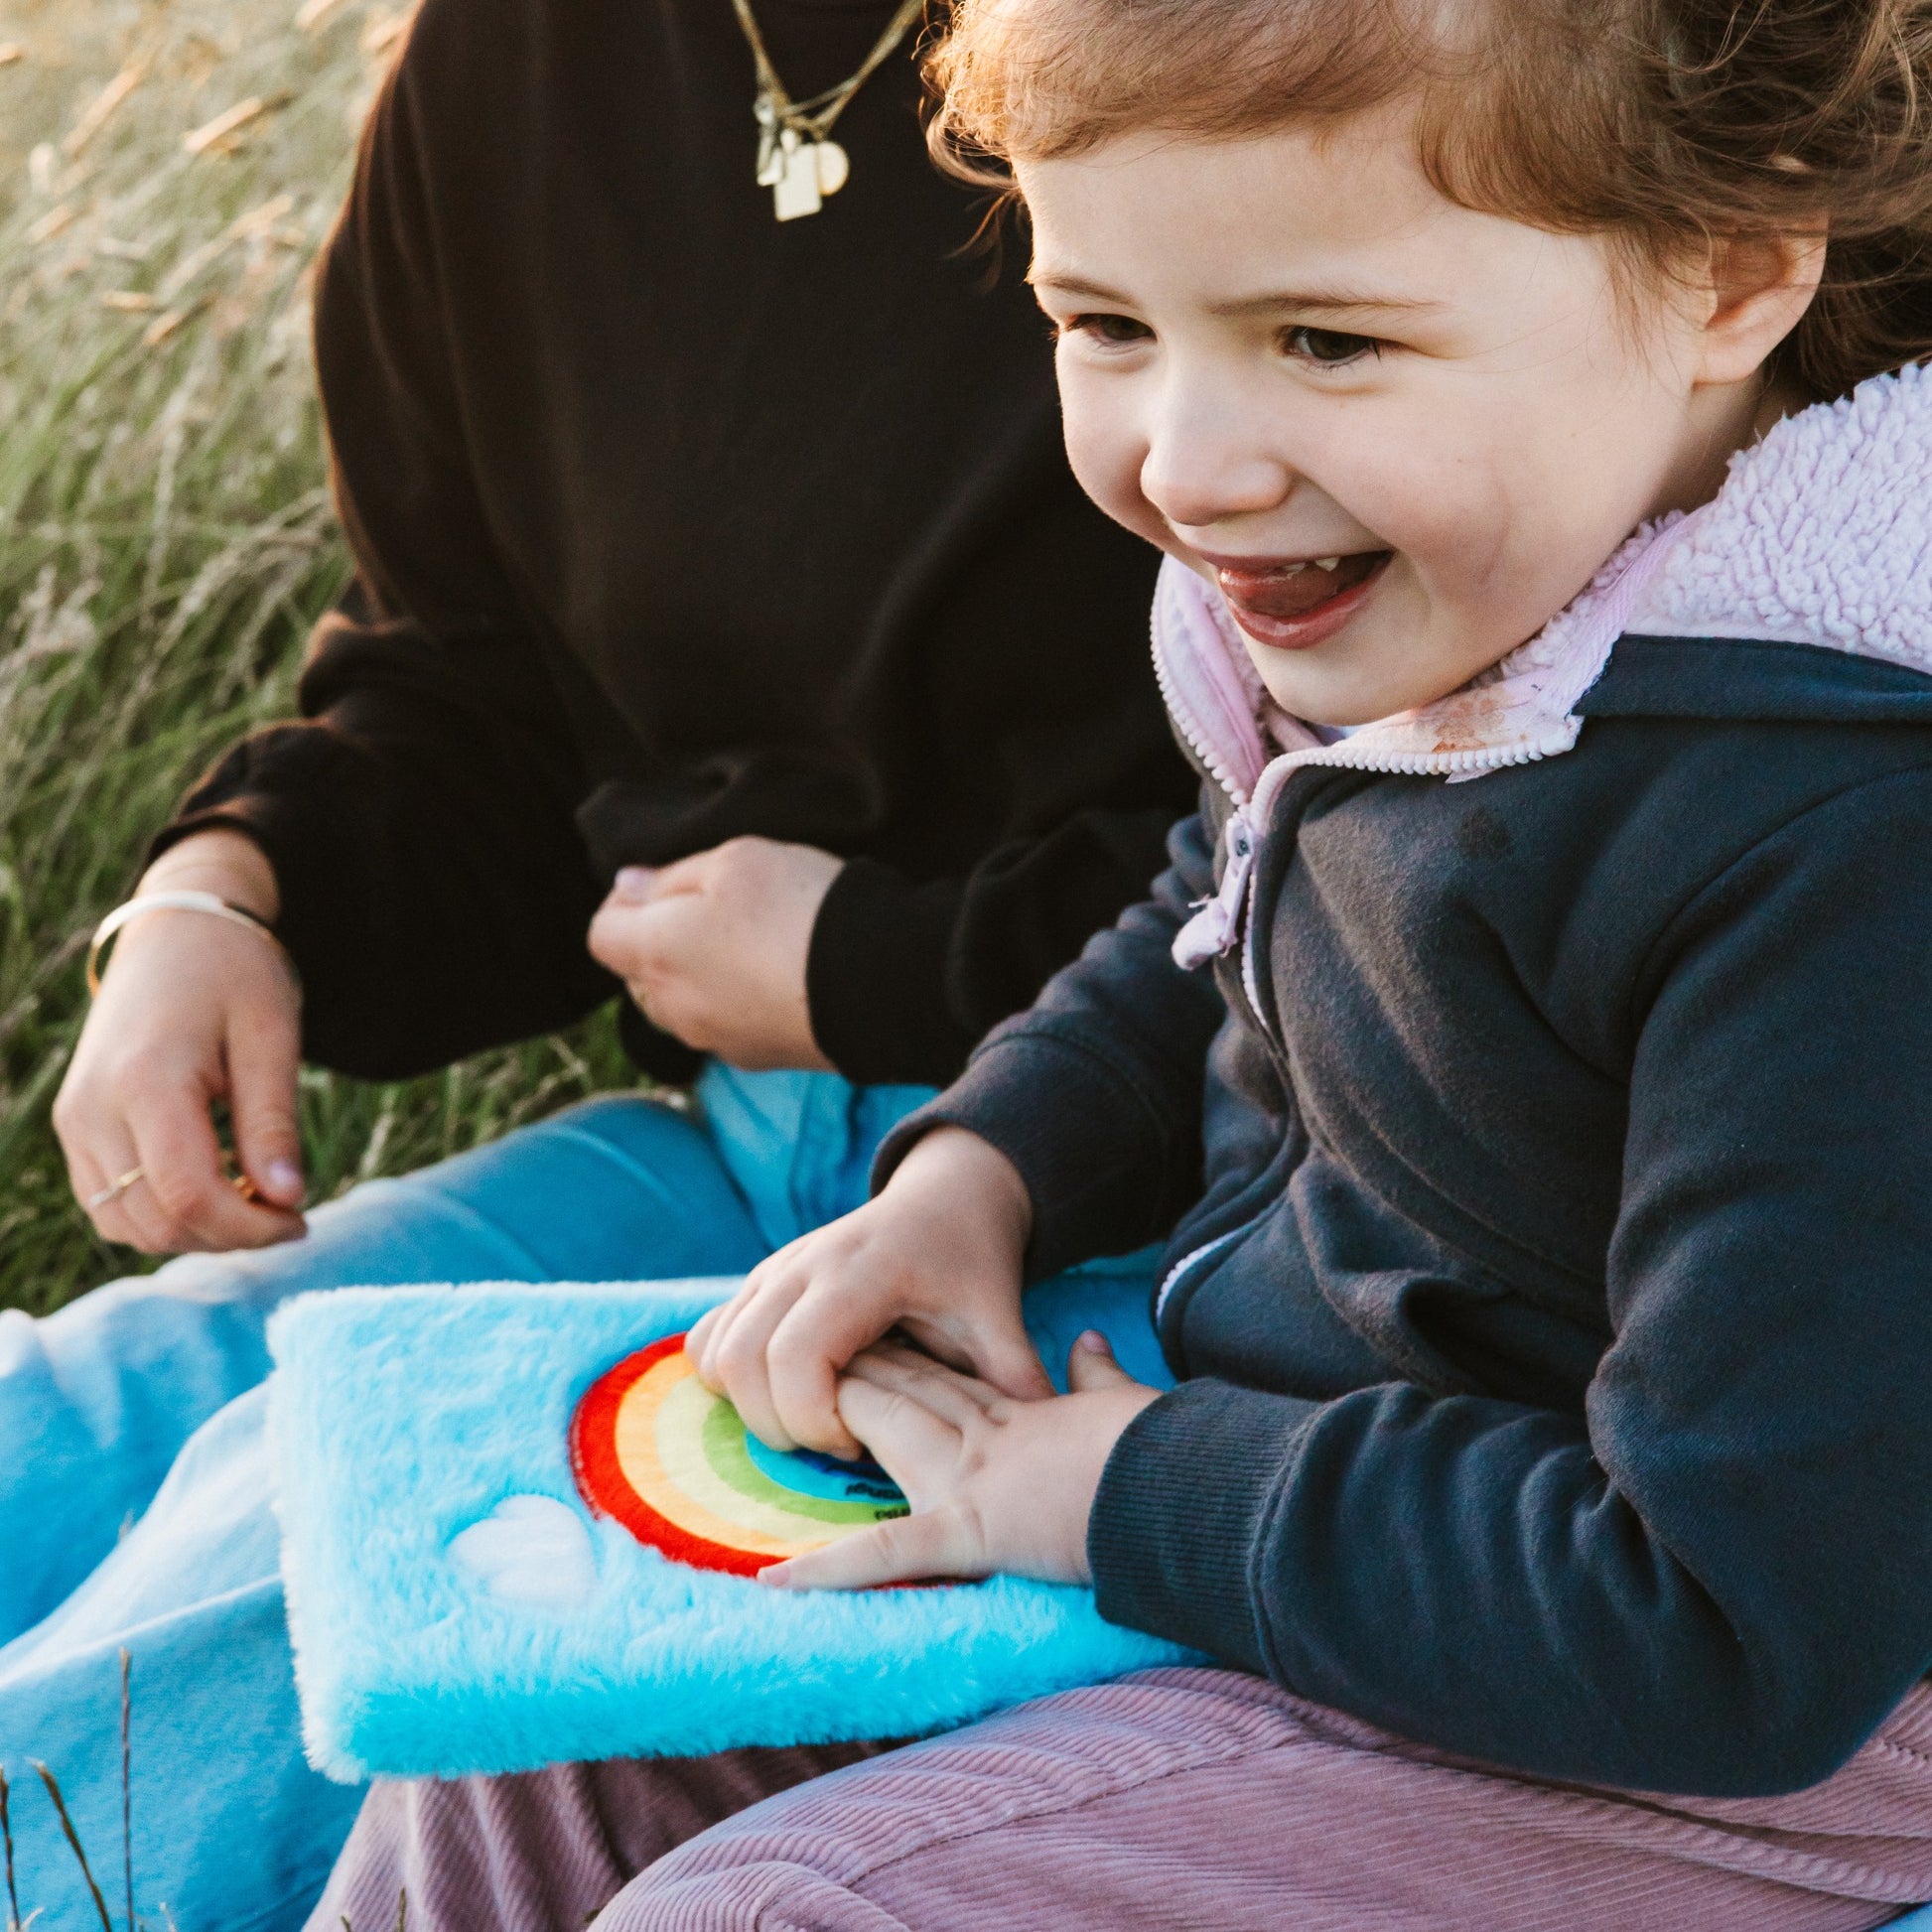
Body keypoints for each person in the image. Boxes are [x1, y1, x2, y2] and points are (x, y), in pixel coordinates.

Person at [312, 0, 1932, 1925]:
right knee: (548, 1743)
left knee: (773, 1914)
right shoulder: (1462, 609)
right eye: (1106, 326)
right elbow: (1224, 899)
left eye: (1323, 340)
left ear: (1729, 277)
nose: (1190, 465)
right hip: (1342, 1487)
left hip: (1750, 1705)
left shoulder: (1838, 849)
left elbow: (1734, 1627)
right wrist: (982, 1168)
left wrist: (1127, 1489)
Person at [0, 0, 1198, 1922]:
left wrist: (888, 965)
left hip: (1167, 1214)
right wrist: (235, 890)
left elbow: (1420, 813)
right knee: (59, 1430)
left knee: (258, 1583)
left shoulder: (1273, 49)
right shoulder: (511, 57)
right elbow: (478, 679)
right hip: (741, 1149)